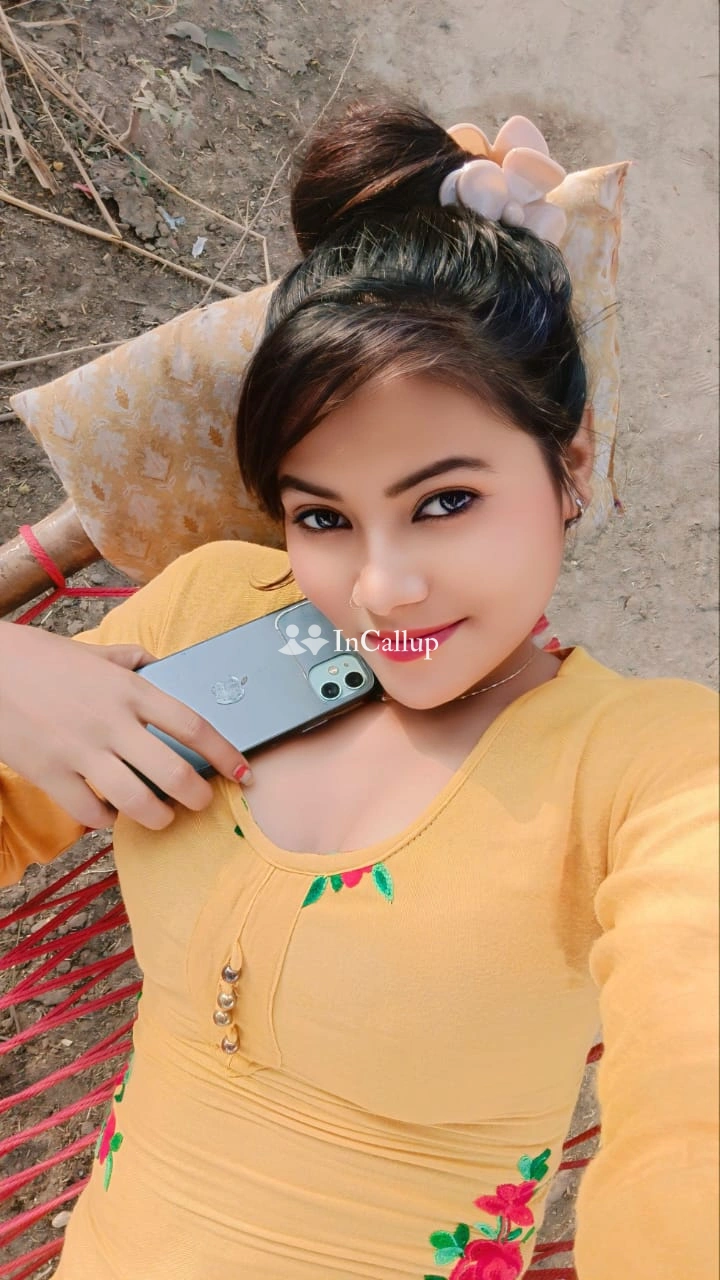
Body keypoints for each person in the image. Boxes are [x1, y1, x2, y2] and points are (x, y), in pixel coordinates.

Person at [0, 101, 717, 1280]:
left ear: (570, 459)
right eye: (323, 516)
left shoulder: (655, 772)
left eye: (445, 501)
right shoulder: (215, 614)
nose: (381, 588)